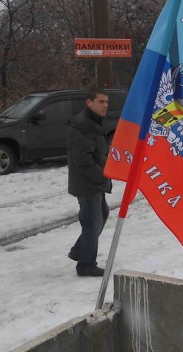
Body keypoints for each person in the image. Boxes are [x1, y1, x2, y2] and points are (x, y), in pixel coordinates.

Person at [67, 88, 113, 277]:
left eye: (107, 102)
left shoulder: (94, 123)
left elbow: (96, 153)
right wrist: (102, 176)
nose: (105, 105)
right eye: (101, 101)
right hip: (88, 183)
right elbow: (83, 161)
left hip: (93, 181)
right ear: (89, 102)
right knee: (92, 223)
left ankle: (79, 251)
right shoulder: (84, 125)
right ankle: (86, 265)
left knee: (102, 214)